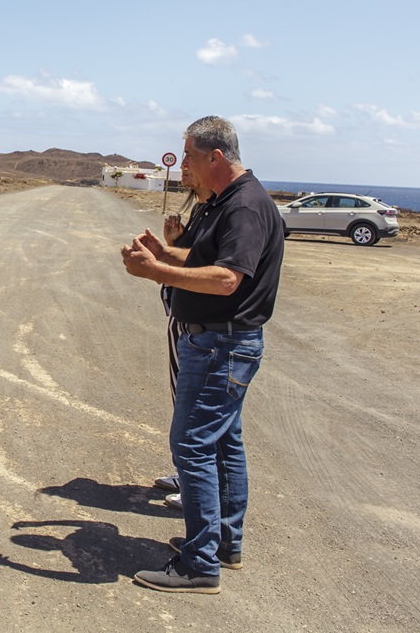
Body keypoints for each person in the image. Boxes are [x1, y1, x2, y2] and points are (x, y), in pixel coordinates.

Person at [121, 116, 284, 593]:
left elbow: (227, 279)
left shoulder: (246, 207)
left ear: (216, 156)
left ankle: (200, 564)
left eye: (189, 155)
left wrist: (157, 273)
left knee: (191, 446)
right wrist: (165, 254)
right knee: (222, 442)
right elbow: (203, 262)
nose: (184, 163)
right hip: (220, 343)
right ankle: (224, 545)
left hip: (220, 345)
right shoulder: (228, 202)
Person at [153, 179, 212, 511]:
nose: (183, 166)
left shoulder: (225, 208)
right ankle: (186, 474)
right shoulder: (204, 208)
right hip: (183, 319)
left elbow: (215, 271)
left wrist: (159, 262)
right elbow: (194, 258)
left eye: (190, 156)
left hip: (203, 329)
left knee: (196, 411)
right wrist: (173, 243)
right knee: (184, 402)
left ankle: (197, 488)